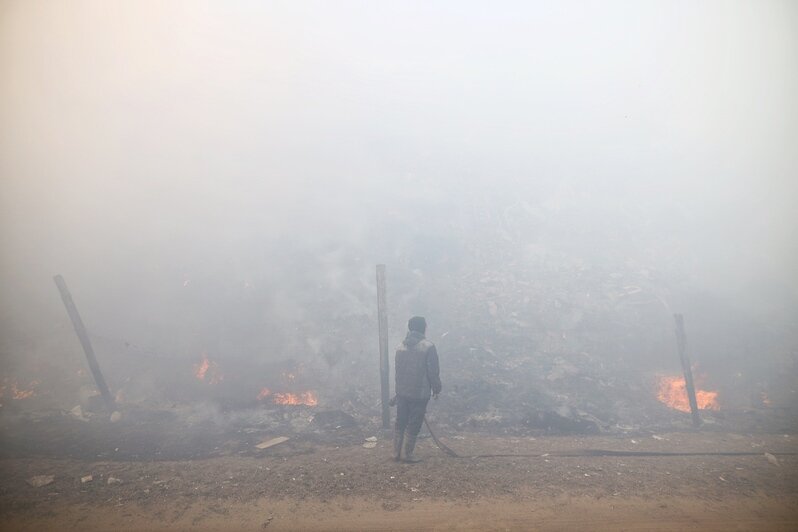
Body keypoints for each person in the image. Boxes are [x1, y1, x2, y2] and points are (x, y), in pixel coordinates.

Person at [393, 316, 442, 463]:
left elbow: (398, 371)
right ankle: (408, 455)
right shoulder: (428, 347)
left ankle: (396, 453)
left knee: (400, 422)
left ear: (409, 328)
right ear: (423, 328)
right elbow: (432, 371)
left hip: (402, 392)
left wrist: (398, 391)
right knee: (414, 423)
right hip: (419, 394)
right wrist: (437, 388)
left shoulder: (400, 346)